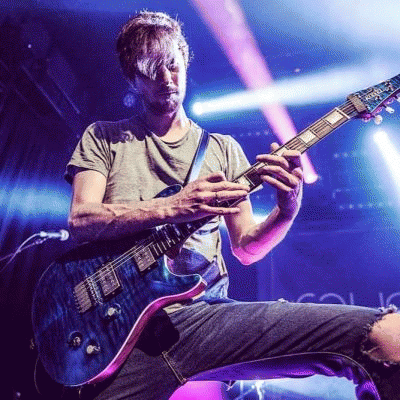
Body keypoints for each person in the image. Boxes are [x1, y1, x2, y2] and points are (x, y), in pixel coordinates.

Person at [63, 10, 400, 400]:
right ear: (133, 79)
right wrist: (174, 207)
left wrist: (286, 210)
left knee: (387, 337)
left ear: (185, 60)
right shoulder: (104, 137)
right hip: (118, 332)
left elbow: (246, 249)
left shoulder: (223, 150)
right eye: (152, 70)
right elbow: (81, 218)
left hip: (205, 319)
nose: (167, 78)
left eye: (173, 65)